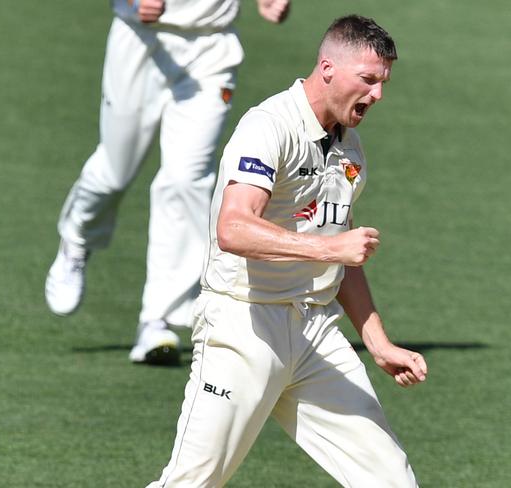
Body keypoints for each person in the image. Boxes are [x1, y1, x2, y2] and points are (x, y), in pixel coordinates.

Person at [146, 14, 427, 487]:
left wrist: (378, 343)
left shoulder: (349, 148)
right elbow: (233, 228)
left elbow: (344, 253)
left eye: (383, 82)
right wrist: (328, 248)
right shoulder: (268, 127)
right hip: (245, 328)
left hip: (315, 332)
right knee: (193, 482)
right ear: (328, 69)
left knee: (391, 479)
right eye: (368, 80)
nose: (378, 94)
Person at [44, 0, 291, 365]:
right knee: (115, 171)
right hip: (141, 40)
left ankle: (157, 321)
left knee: (187, 179)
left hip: (212, 46)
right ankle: (77, 237)